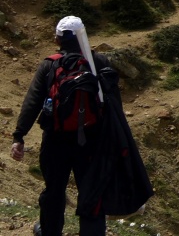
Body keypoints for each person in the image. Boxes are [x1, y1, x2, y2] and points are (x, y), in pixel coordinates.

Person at [10, 16, 111, 236]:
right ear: (82, 35)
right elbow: (113, 104)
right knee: (91, 191)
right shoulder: (98, 62)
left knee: (54, 190)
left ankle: (49, 231)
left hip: (55, 140)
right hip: (91, 141)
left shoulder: (50, 64)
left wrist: (19, 136)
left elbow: (32, 101)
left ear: (58, 39)